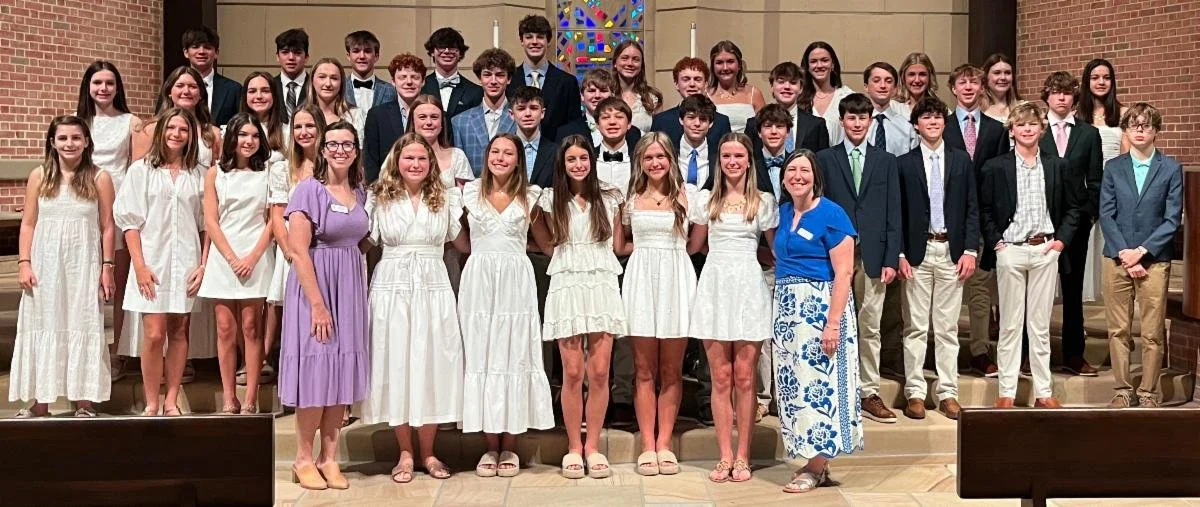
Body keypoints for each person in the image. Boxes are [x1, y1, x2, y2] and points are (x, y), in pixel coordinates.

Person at [361, 133, 467, 482]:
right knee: (398, 362)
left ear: (431, 163)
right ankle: (405, 452)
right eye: (409, 158)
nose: (416, 164)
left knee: (431, 364)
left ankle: (429, 451)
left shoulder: (447, 197)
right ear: (397, 160)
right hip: (392, 286)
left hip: (433, 286)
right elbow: (363, 240)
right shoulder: (378, 197)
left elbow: (462, 241)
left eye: (422, 159)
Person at [459, 133, 554, 478]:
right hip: (480, 280)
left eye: (508, 153)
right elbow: (459, 238)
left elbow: (546, 243)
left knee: (514, 353)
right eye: (495, 152)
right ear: (486, 157)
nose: (500, 158)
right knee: (482, 352)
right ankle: (489, 445)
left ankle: (510, 445)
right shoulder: (469, 192)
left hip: (516, 280)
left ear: (518, 160)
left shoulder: (531, 196)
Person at [281, 120, 369, 491]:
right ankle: (303, 457)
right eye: (332, 144)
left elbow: (361, 240)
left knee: (341, 372)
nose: (339, 151)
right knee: (317, 373)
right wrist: (318, 305)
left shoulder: (360, 192)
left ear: (356, 150)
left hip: (348, 286)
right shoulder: (308, 191)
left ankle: (329, 458)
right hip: (315, 288)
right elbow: (298, 252)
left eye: (347, 144)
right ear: (322, 149)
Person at [534, 135, 627, 479]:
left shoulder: (611, 196)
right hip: (567, 280)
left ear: (591, 161)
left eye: (583, 158)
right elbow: (544, 242)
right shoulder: (548, 199)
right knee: (573, 372)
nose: (578, 165)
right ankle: (574, 446)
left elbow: (617, 244)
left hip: (601, 278)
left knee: (600, 371)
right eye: (571, 159)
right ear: (563, 164)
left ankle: (594, 447)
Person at [978, 101, 1083, 409]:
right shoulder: (995, 167)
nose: (1026, 129)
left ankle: (1043, 392)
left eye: (1032, 124)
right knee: (1010, 324)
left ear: (1042, 129)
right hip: (1010, 250)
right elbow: (985, 211)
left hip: (1044, 250)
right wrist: (998, 244)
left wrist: (1060, 242)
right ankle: (1006, 392)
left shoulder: (1057, 166)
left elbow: (1075, 207)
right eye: (1020, 125)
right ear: (1012, 130)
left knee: (1039, 326)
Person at [10, 116, 116, 418]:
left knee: (82, 321)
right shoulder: (39, 176)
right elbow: (28, 223)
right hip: (44, 266)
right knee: (43, 323)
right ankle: (39, 403)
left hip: (83, 264)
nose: (70, 144)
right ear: (53, 143)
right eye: (63, 138)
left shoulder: (100, 178)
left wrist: (107, 266)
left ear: (86, 142)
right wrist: (24, 262)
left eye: (76, 138)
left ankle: (84, 402)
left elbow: (107, 226)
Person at [688, 133, 776, 482]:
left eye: (739, 155)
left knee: (744, 377)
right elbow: (695, 245)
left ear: (749, 160)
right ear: (719, 160)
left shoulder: (764, 202)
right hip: (715, 286)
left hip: (750, 286)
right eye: (726, 155)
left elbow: (775, 250)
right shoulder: (706, 200)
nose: (732, 161)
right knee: (720, 377)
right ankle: (724, 455)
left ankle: (743, 456)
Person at [772, 150, 861, 493]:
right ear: (783, 178)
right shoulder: (783, 213)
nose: (797, 175)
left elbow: (844, 272)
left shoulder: (832, 214)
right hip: (788, 311)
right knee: (796, 386)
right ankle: (810, 459)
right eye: (791, 169)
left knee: (819, 386)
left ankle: (817, 464)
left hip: (821, 308)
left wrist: (833, 322)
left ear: (815, 176)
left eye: (804, 170)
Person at [615, 132, 701, 477]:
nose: (655, 163)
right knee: (644, 370)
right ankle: (647, 445)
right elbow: (620, 246)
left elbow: (694, 246)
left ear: (670, 159)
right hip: (641, 279)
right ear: (640, 161)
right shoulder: (629, 197)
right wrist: (648, 251)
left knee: (671, 370)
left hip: (676, 279)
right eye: (649, 157)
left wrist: (668, 254)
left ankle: (664, 443)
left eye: (661, 157)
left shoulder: (687, 196)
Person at [114, 107, 208, 416]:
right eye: (171, 128)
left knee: (179, 330)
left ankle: (171, 400)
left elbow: (207, 224)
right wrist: (139, 265)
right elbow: (129, 222)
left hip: (186, 260)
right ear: (161, 131)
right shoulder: (141, 171)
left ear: (190, 135)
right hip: (151, 260)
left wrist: (203, 264)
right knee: (154, 334)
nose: (176, 134)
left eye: (183, 129)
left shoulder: (199, 173)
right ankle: (152, 401)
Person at [816, 93, 901, 424]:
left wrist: (891, 257)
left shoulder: (886, 160)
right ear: (842, 121)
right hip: (835, 253)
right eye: (851, 118)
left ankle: (868, 390)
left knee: (870, 324)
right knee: (834, 321)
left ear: (869, 120)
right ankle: (836, 388)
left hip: (874, 254)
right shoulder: (825, 158)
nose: (856, 123)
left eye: (862, 118)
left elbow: (894, 211)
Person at [896, 96, 978, 420]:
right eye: (925, 118)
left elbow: (972, 207)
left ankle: (948, 393)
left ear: (945, 123)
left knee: (947, 329)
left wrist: (971, 249)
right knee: (915, 326)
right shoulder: (903, 163)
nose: (932, 122)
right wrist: (900, 252)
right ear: (916, 124)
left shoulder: (961, 161)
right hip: (917, 253)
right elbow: (898, 213)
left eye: (937, 118)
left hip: (951, 251)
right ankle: (915, 393)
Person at [1099, 103, 1181, 409]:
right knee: (1118, 329)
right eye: (1134, 125)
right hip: (1116, 258)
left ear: (1156, 130)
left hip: (1154, 261)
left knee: (1152, 332)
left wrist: (1141, 253)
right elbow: (1106, 215)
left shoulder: (1171, 169)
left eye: (1146, 125)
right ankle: (1122, 390)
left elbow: (1172, 219)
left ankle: (1148, 392)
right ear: (1126, 130)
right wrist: (1125, 254)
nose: (1140, 130)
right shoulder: (1113, 168)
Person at [198, 113, 275, 415]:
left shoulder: (269, 171)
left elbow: (272, 221)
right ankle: (229, 397)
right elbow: (211, 221)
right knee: (225, 328)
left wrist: (253, 256)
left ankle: (251, 398)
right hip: (224, 255)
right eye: (243, 135)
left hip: (255, 254)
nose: (249, 141)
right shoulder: (216, 172)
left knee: (251, 327)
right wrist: (230, 257)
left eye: (255, 136)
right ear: (232, 138)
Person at [76, 61, 142, 383]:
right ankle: (86, 352)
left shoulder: (131, 122)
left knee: (116, 282)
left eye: (110, 83)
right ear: (88, 86)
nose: (103, 89)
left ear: (118, 87)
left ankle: (117, 352)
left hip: (116, 200)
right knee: (83, 282)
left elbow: (138, 167)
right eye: (97, 82)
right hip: (81, 200)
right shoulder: (79, 122)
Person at [942, 63, 1007, 378]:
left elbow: (998, 178)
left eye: (974, 83)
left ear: (982, 88)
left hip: (981, 219)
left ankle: (980, 351)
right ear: (953, 88)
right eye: (962, 83)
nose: (968, 88)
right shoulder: (940, 124)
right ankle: (945, 352)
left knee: (980, 289)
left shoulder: (996, 130)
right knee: (946, 289)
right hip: (946, 219)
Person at [1039, 71, 1104, 377]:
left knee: (1073, 291)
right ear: (1047, 97)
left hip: (1076, 223)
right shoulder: (1035, 130)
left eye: (1067, 93)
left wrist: (1088, 215)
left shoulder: (1088, 134)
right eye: (1056, 92)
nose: (1061, 98)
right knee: (1036, 293)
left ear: (1074, 97)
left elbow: (1095, 180)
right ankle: (1031, 354)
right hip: (1039, 222)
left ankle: (1074, 354)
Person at [264, 105, 325, 388]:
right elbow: (277, 215)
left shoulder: (332, 163)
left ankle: (326, 385)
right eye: (298, 127)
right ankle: (298, 387)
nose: (304, 132)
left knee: (325, 316)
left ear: (321, 128)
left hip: (325, 253)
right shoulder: (282, 168)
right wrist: (290, 251)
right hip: (292, 254)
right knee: (296, 320)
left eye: (310, 126)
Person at [1078, 58, 1130, 304]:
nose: (1101, 82)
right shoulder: (1076, 114)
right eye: (1095, 77)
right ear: (1087, 81)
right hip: (1083, 188)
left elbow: (1126, 158)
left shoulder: (1123, 113)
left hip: (1112, 189)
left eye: (1106, 77)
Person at [506, 14, 582, 140]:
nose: (534, 42)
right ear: (521, 41)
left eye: (540, 37)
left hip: (556, 152)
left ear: (549, 41)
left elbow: (574, 124)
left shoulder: (567, 82)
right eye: (529, 37)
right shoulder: (509, 80)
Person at [650, 57, 733, 161]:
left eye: (697, 79)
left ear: (706, 84)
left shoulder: (721, 122)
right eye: (686, 79)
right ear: (676, 84)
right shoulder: (661, 121)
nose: (692, 84)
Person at [745, 62, 830, 160]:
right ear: (772, 87)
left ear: (801, 88)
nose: (787, 87)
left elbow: (823, 163)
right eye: (781, 82)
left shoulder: (816, 125)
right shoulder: (753, 124)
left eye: (793, 82)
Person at [363, 53, 427, 182]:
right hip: (388, 188)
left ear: (423, 81)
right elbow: (371, 160)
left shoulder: (436, 115)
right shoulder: (377, 115)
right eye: (402, 77)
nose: (409, 82)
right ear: (393, 81)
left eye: (415, 77)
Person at [453, 48, 518, 174]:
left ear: (508, 79)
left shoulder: (520, 118)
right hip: (473, 191)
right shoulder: (460, 122)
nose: (493, 81)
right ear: (479, 78)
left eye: (499, 75)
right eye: (487, 75)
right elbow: (460, 170)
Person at [555, 69, 643, 151]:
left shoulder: (633, 133)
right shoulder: (565, 133)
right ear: (582, 96)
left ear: (612, 95)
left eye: (603, 91)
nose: (597, 95)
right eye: (591, 91)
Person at [182, 26, 241, 126]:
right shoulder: (173, 87)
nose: (201, 51)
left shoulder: (234, 89)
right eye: (195, 46)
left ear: (216, 53)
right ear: (186, 52)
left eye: (207, 47)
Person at [800, 41, 855, 146]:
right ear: (807, 66)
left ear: (833, 64)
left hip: (838, 160)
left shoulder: (847, 96)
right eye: (813, 61)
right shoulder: (797, 98)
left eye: (824, 60)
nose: (819, 65)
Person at [420, 27, 483, 119]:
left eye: (452, 48)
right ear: (432, 52)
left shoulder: (475, 92)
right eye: (441, 47)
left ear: (460, 53)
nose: (447, 51)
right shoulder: (420, 87)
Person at [706, 40, 766, 134]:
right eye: (719, 62)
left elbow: (764, 129)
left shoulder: (754, 94)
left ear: (739, 65)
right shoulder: (705, 95)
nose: (725, 68)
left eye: (730, 62)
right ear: (713, 67)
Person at [863, 62, 918, 157]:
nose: (883, 85)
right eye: (876, 81)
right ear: (866, 87)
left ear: (895, 89)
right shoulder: (855, 125)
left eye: (888, 81)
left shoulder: (906, 127)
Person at [303, 57, 367, 137]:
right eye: (322, 77)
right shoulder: (302, 115)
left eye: (334, 78)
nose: (328, 84)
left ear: (341, 83)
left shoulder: (356, 116)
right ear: (312, 81)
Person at [511, 86, 558, 187]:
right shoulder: (503, 151)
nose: (528, 114)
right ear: (511, 114)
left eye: (533, 108)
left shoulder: (557, 151)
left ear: (542, 113)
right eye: (521, 108)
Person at [610, 40, 662, 132]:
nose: (630, 63)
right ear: (615, 62)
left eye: (635, 59)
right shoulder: (606, 94)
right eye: (624, 58)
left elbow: (657, 134)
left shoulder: (652, 97)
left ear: (641, 65)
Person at [234, 71, 288, 157]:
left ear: (274, 95)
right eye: (252, 91)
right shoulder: (231, 131)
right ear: (245, 96)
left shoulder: (286, 132)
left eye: (265, 91)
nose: (259, 96)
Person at [342, 30, 396, 110]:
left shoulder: (391, 90)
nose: (362, 56)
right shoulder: (339, 89)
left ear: (376, 56)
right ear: (348, 56)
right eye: (356, 51)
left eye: (367, 51)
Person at [273, 28, 310, 119]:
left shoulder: (316, 86)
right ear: (277, 56)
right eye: (285, 52)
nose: (291, 57)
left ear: (306, 57)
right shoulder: (270, 86)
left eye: (297, 53)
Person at [981, 53, 1020, 123]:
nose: (1003, 77)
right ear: (986, 77)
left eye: (1007, 73)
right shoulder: (976, 110)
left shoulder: (1024, 108)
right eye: (997, 73)